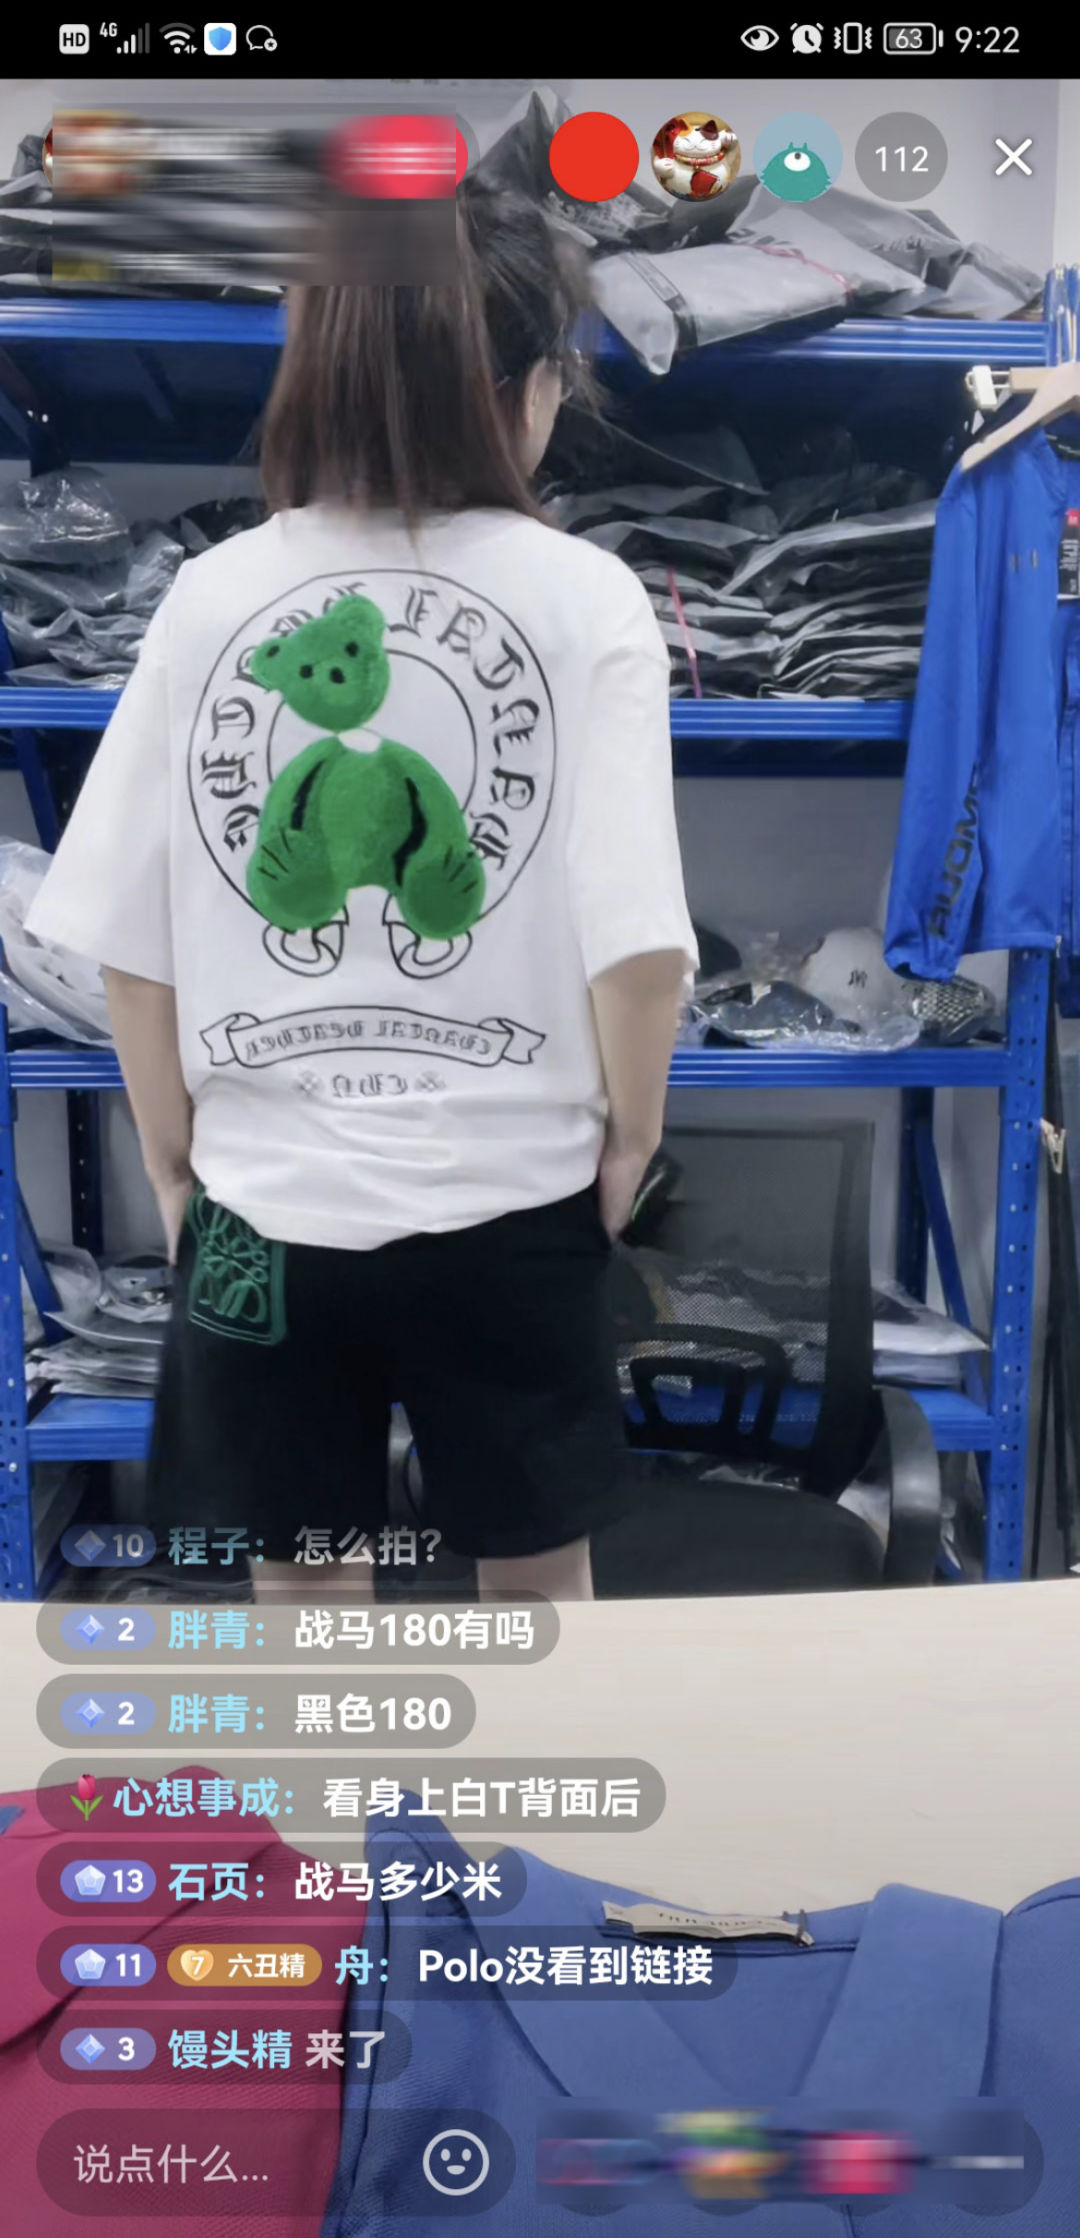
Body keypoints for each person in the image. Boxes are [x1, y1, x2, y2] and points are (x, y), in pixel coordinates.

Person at [27, 174, 697, 1605]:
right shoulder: (587, 597)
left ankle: (339, 1776)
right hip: (515, 1204)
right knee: (539, 1596)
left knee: (307, 1597)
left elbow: (132, 944)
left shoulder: (213, 595)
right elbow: (639, 942)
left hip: (263, 1209)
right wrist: (630, 1143)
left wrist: (172, 1167)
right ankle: (534, 1778)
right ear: (524, 385)